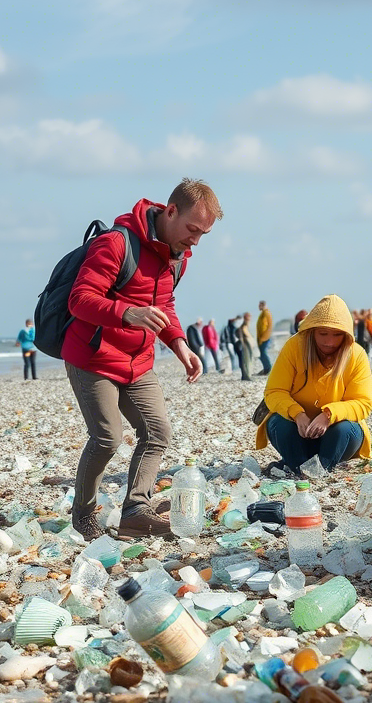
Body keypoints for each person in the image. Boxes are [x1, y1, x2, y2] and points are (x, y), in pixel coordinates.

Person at [61, 179, 220, 541]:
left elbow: (165, 305)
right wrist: (128, 313)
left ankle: (135, 511)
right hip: (93, 357)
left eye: (203, 234)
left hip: (138, 361)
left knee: (157, 431)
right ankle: (83, 515)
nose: (195, 240)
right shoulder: (117, 243)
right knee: (107, 438)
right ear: (171, 211)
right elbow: (80, 300)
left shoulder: (178, 258)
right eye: (192, 229)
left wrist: (179, 344)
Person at [256, 294, 372, 475]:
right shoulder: (295, 346)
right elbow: (274, 391)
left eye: (337, 334)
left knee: (344, 429)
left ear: (346, 335)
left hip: (338, 439)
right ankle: (299, 467)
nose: (329, 342)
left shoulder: (356, 355)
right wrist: (297, 414)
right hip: (297, 431)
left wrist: (328, 415)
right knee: (278, 423)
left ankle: (319, 469)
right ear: (311, 331)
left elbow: (363, 403)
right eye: (323, 333)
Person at [257, 300, 273, 375]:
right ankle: (266, 368)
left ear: (263, 305)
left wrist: (263, 338)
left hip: (265, 337)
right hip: (261, 337)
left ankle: (268, 368)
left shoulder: (266, 313)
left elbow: (268, 326)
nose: (258, 307)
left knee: (263, 353)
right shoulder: (263, 314)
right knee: (262, 353)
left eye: (259, 305)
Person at [237, 313, 254, 381]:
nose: (249, 320)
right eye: (248, 318)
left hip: (247, 344)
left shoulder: (245, 326)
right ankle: (246, 376)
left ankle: (246, 375)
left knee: (248, 360)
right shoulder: (243, 327)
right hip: (245, 345)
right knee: (246, 360)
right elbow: (241, 337)